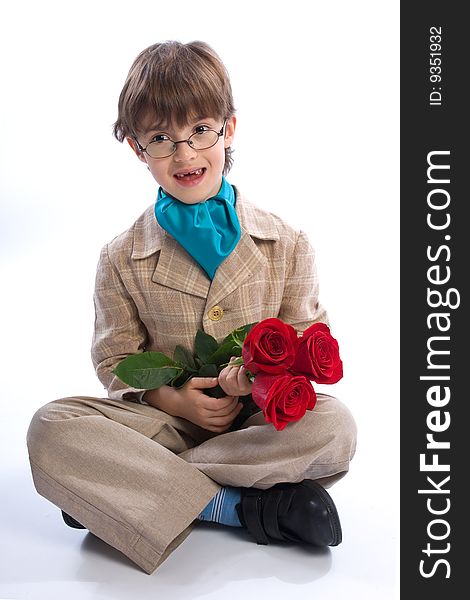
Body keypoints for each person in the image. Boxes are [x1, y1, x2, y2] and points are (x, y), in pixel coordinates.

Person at [26, 40, 357, 574]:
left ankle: (129, 486)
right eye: (162, 139)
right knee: (51, 426)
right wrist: (173, 399)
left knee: (336, 427)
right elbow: (114, 361)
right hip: (165, 423)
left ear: (228, 128)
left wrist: (252, 381)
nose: (185, 155)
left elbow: (306, 340)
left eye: (200, 131)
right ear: (138, 149)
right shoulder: (120, 257)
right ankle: (235, 507)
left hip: (256, 429)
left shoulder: (287, 243)